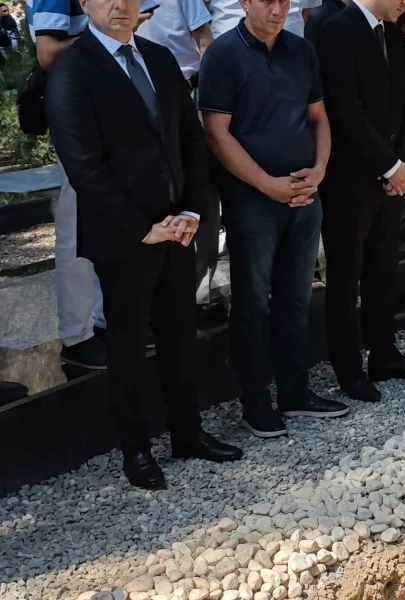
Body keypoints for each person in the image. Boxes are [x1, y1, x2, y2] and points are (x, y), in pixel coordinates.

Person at [44, 0, 243, 490]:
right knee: (129, 345)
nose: (120, 5)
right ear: (85, 4)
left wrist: (191, 211)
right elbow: (83, 164)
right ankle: (136, 448)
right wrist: (141, 228)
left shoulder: (158, 58)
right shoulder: (72, 69)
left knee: (180, 335)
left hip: (177, 226)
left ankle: (187, 432)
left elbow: (190, 139)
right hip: (123, 235)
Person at [200, 0, 350, 438]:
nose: (277, 9)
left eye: (284, 0)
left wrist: (319, 169)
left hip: (304, 192)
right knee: (252, 302)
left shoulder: (300, 50)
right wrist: (267, 184)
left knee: (296, 297)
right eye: (266, 0)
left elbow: (318, 117)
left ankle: (295, 391)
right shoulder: (224, 54)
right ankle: (255, 402)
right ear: (245, 2)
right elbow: (216, 133)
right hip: (252, 198)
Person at [316, 0, 405, 402]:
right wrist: (389, 165)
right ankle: (348, 366)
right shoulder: (336, 30)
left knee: (383, 269)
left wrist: (403, 164)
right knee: (345, 274)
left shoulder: (393, 33)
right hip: (350, 179)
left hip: (393, 178)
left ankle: (384, 353)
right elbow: (344, 108)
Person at [30, 0, 107, 370]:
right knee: (76, 222)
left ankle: (106, 320)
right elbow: (47, 52)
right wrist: (105, 33)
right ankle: (77, 335)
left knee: (110, 218)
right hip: (78, 108)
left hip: (105, 104)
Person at [137, 0, 220, 310]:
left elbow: (205, 40)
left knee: (200, 191)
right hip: (137, 101)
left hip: (186, 95)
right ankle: (154, 304)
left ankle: (199, 297)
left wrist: (206, 101)